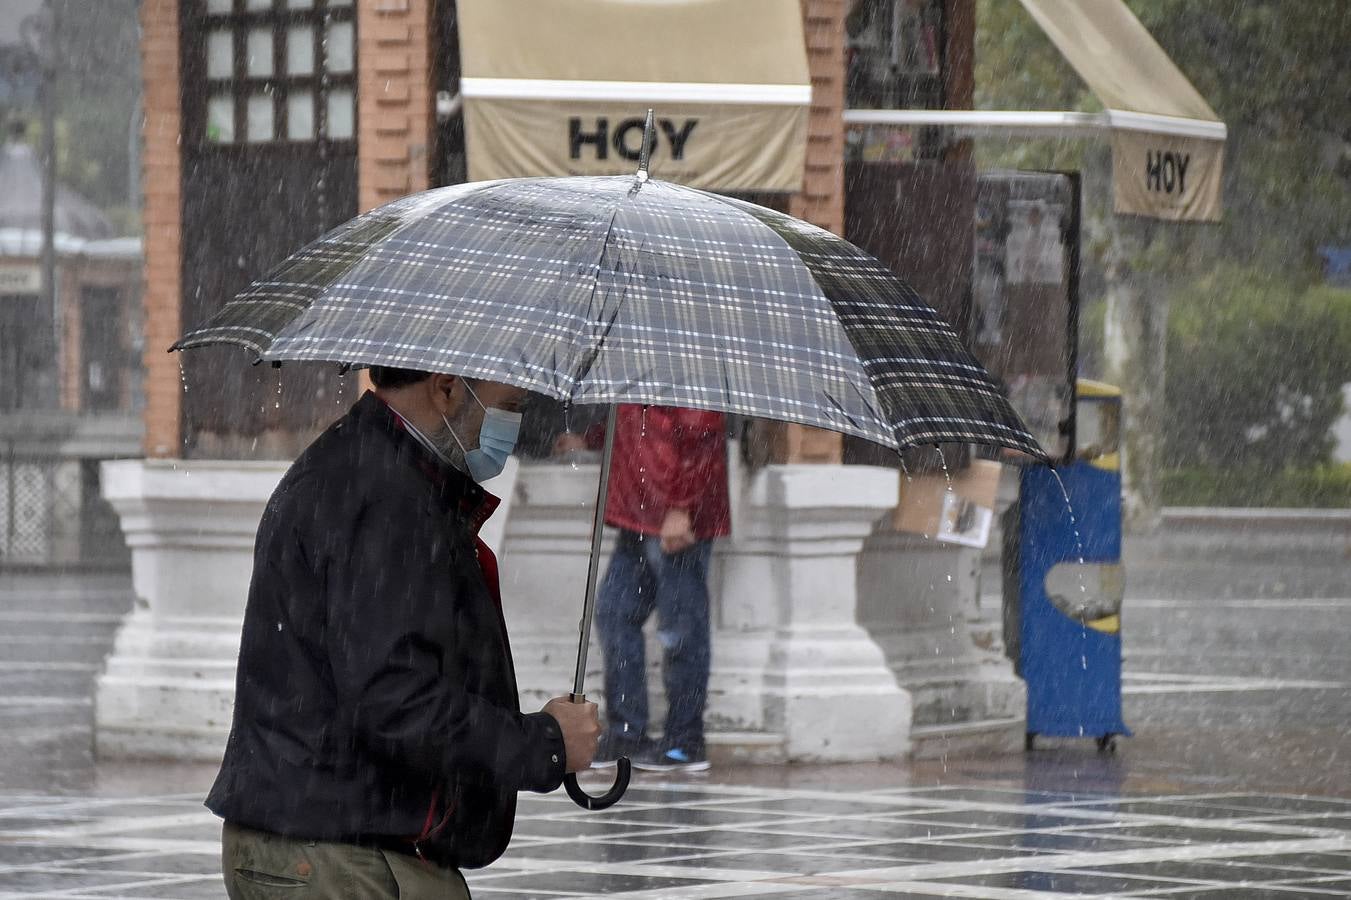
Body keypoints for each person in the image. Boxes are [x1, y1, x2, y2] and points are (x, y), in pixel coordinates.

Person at [206, 367, 600, 899]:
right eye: (510, 404)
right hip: (337, 855)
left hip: (337, 837)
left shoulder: (376, 470)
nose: (513, 424)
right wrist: (544, 744)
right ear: (447, 387)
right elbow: (396, 699)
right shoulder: (384, 495)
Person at [565, 405, 730, 772]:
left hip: (671, 512)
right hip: (638, 510)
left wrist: (681, 505)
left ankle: (684, 742)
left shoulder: (682, 355)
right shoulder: (645, 357)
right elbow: (632, 418)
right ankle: (627, 733)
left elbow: (702, 428)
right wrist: (593, 438)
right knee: (614, 615)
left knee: (681, 631)